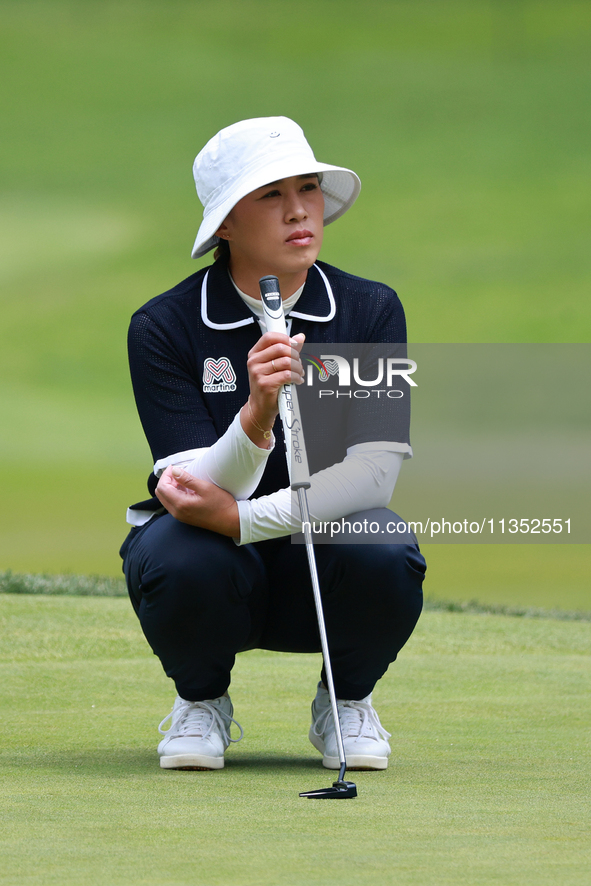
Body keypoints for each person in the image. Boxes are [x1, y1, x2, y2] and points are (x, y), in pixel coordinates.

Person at [120, 116, 426, 772]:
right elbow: (190, 494)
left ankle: (344, 701)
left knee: (384, 544)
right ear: (225, 223)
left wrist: (245, 519)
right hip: (214, 572)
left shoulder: (369, 310)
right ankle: (200, 702)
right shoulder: (164, 325)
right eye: (270, 195)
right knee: (176, 554)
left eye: (309, 188)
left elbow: (374, 477)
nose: (298, 211)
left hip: (318, 570)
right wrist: (255, 415)